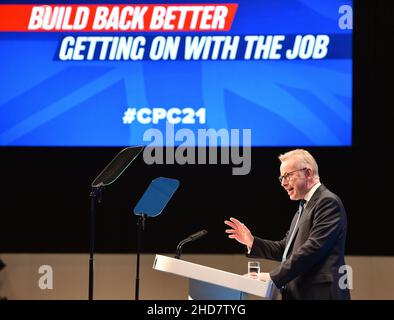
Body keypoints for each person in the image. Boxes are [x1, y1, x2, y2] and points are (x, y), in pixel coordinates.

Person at [224, 149, 350, 300]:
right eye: (281, 178)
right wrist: (252, 242)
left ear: (308, 173)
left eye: (287, 176)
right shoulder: (303, 207)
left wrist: (272, 277)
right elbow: (286, 250)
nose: (283, 183)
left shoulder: (327, 202)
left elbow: (313, 249)